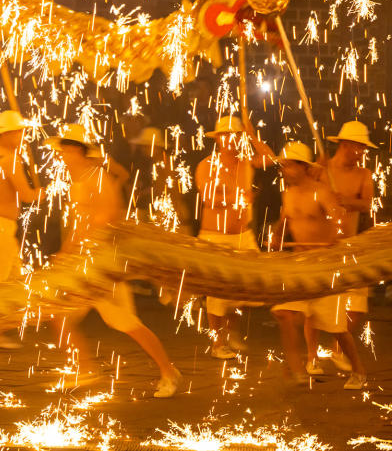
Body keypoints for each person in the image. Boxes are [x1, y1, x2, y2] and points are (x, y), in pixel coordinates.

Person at [52, 125, 183, 398]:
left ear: (76, 149)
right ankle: (84, 368)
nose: (60, 154)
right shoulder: (80, 176)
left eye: (64, 149)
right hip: (85, 261)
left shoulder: (96, 176)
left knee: (124, 322)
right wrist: (68, 250)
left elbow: (108, 215)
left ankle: (168, 371)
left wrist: (79, 242)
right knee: (59, 313)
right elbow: (79, 222)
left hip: (102, 263)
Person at [268, 142, 367, 389]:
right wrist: (277, 234)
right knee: (284, 312)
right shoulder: (288, 193)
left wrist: (338, 235)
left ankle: (359, 371)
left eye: (289, 165)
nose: (285, 170)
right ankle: (296, 368)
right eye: (284, 166)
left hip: (325, 266)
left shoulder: (321, 192)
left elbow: (340, 221)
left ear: (303, 168)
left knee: (336, 329)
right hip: (300, 264)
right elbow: (285, 219)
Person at [194, 115, 275, 359]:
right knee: (217, 292)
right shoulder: (207, 165)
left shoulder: (246, 162)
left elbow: (271, 158)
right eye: (226, 135)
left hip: (242, 235)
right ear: (218, 139)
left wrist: (252, 135)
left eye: (235, 135)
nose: (231, 139)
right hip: (215, 236)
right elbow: (209, 199)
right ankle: (218, 343)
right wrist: (239, 198)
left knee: (244, 288)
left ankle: (233, 334)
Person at [321, 120, 376, 370]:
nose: (362, 152)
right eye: (359, 147)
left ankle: (337, 347)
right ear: (346, 144)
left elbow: (366, 204)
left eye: (364, 148)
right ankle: (311, 358)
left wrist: (346, 202)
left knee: (358, 304)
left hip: (350, 244)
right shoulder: (322, 170)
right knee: (319, 305)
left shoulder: (364, 174)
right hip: (323, 246)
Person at [0, 110, 42, 296]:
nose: (23, 136)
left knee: (16, 287)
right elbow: (26, 195)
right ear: (7, 133)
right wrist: (40, 193)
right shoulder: (10, 159)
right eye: (19, 132)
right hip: (0, 229)